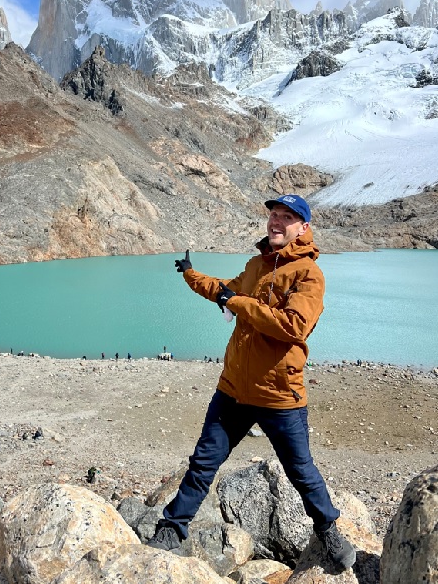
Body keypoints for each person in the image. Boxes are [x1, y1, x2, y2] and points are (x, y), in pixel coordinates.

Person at [147, 195, 356, 570]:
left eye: (287, 217)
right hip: (233, 391)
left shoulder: (308, 274)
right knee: (202, 463)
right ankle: (172, 528)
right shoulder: (256, 264)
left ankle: (328, 529)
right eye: (274, 214)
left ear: (303, 228)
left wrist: (237, 302)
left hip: (280, 396)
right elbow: (225, 289)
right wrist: (192, 275)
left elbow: (293, 326)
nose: (277, 221)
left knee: (301, 472)